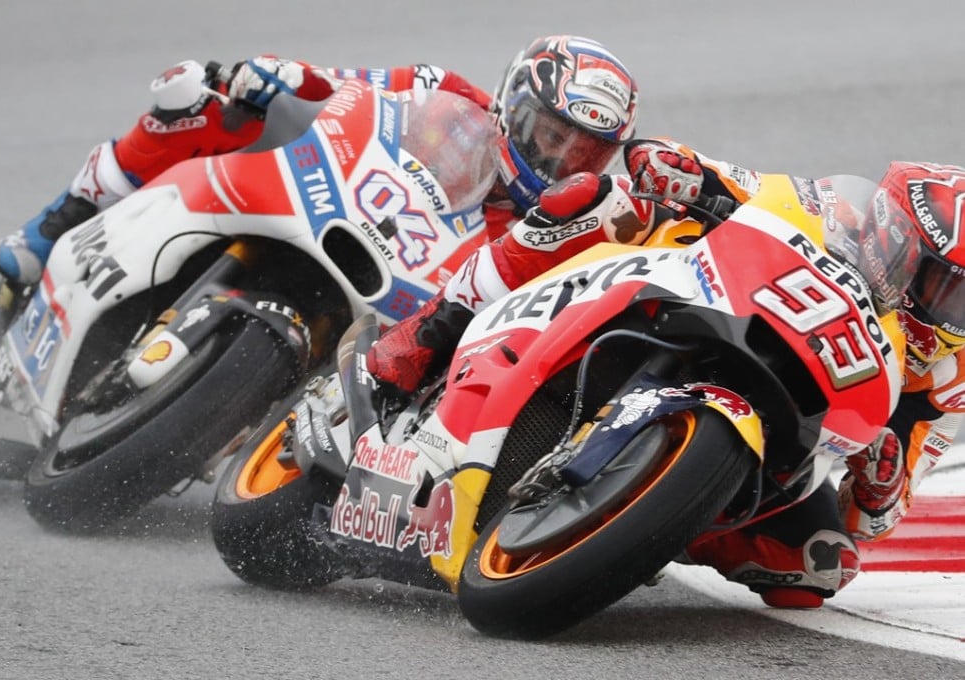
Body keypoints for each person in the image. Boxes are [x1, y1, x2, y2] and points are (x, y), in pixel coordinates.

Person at [366, 141, 962, 609]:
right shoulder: (838, 214)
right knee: (594, 201)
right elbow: (724, 178)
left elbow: (878, 514)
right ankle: (432, 329)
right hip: (702, 295)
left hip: (790, 419)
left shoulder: (947, 378)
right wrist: (679, 169)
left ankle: (645, 522)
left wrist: (880, 487)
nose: (950, 313)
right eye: (945, 286)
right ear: (896, 236)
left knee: (818, 563)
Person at [0, 35, 638, 286]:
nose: (556, 158)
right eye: (549, 135)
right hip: (334, 204)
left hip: (391, 306)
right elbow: (337, 85)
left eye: (582, 151)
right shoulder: (446, 92)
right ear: (512, 104)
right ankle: (62, 217)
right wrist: (278, 76)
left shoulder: (562, 225)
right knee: (208, 97)